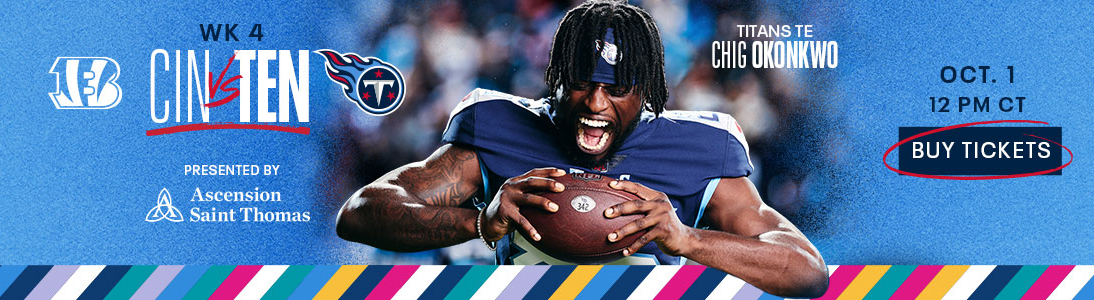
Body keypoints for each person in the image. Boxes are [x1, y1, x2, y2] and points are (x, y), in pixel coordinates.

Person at [332, 1, 827, 297]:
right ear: (554, 81)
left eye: (616, 89)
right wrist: (480, 223)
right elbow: (359, 213)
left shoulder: (700, 147)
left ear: (648, 92)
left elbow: (808, 272)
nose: (595, 103)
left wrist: (687, 240)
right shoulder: (499, 126)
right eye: (581, 85)